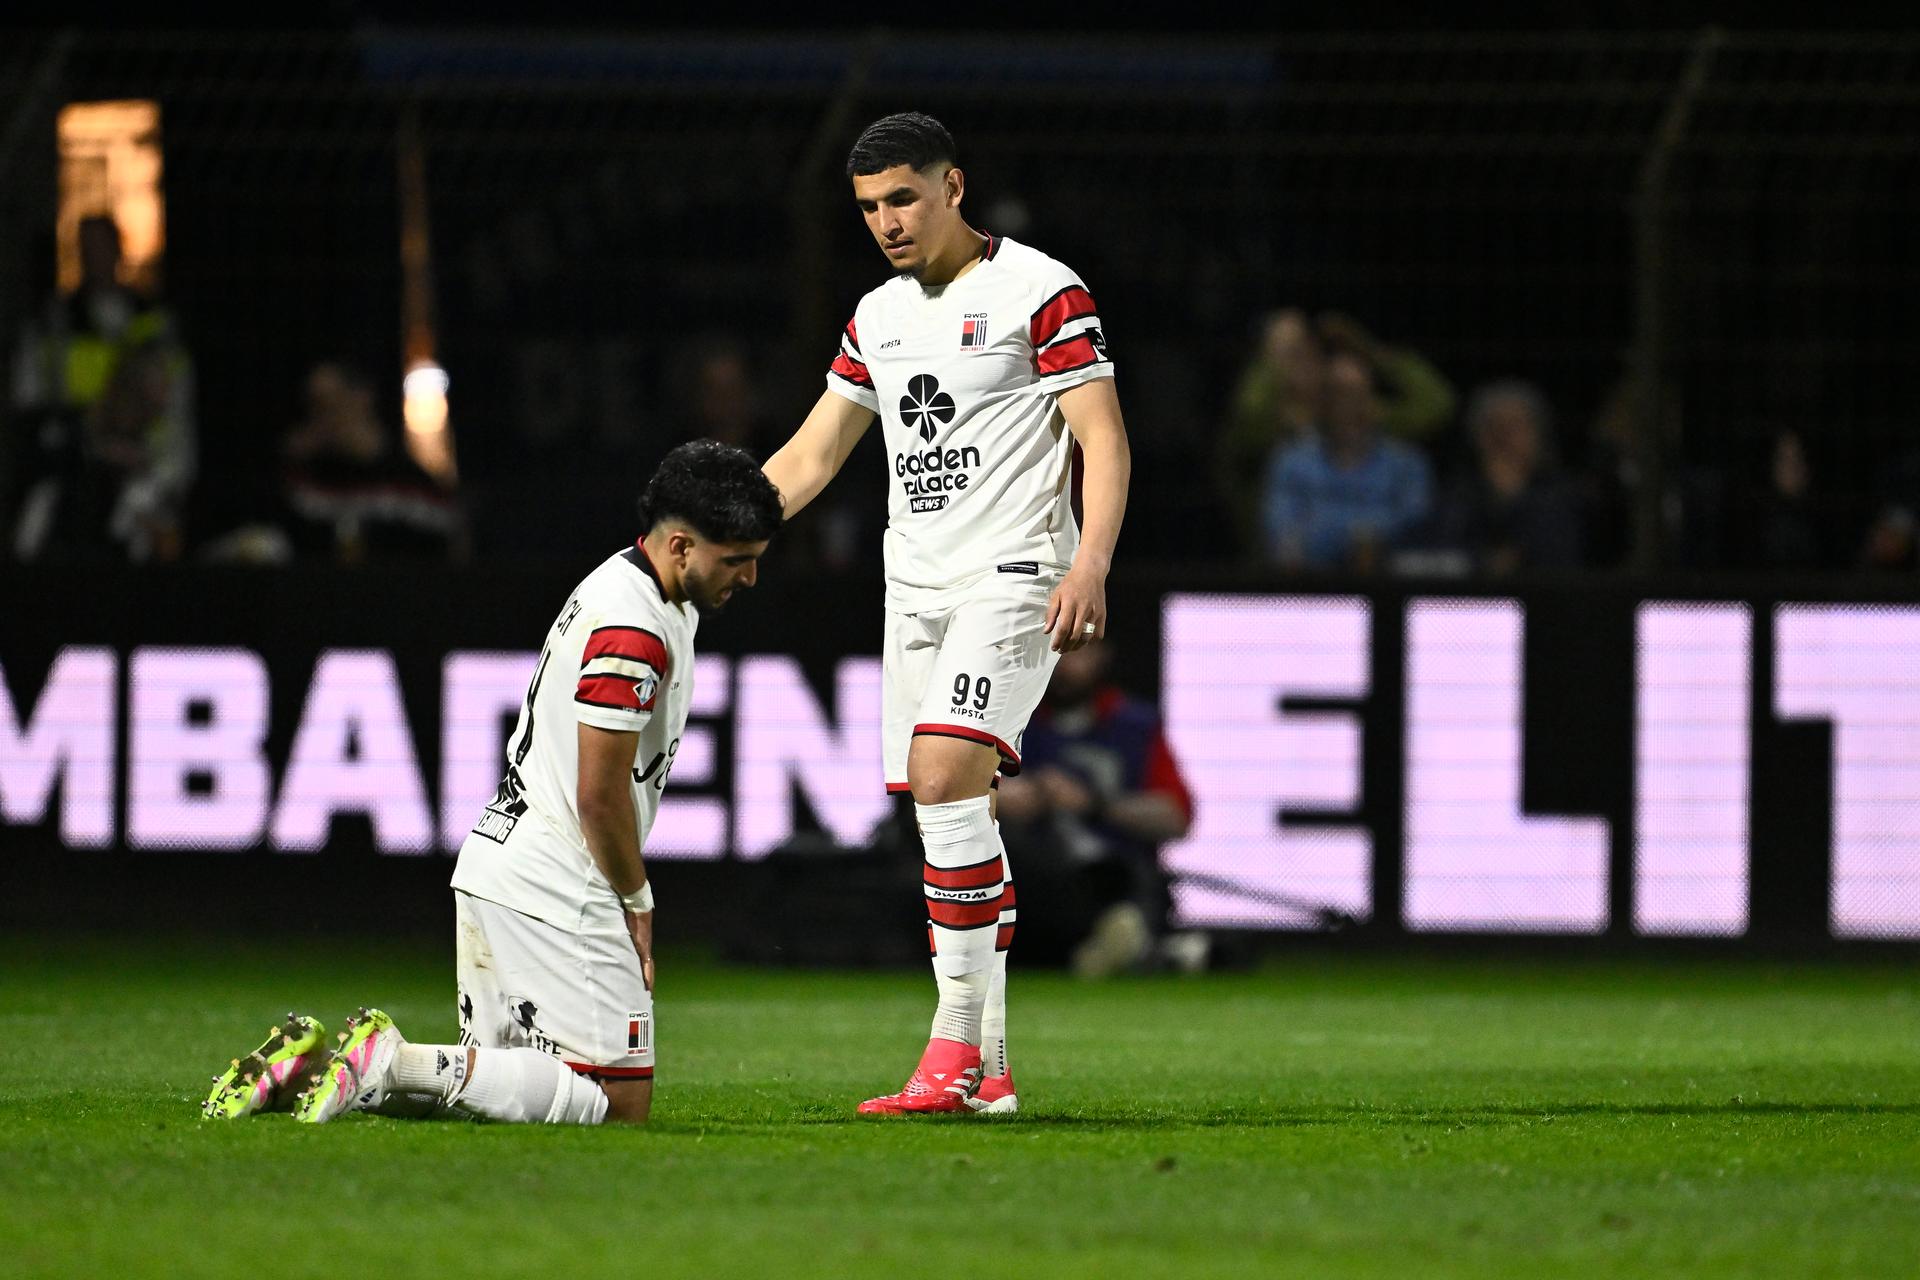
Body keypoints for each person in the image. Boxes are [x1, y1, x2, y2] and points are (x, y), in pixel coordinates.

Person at [200, 440, 782, 1126]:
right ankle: (387, 1059)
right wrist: (637, 896)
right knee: (616, 1102)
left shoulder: (637, 582)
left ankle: (305, 1077)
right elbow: (599, 795)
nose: (748, 579)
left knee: (496, 1095)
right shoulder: (635, 627)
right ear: (682, 545)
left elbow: (792, 478)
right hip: (560, 881)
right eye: (737, 562)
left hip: (500, 862)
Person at [762, 112, 1132, 1115]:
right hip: (914, 589)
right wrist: (720, 529)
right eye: (871, 207)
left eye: (904, 198)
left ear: (953, 186)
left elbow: (1102, 437)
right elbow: (811, 456)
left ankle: (950, 1050)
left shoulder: (1041, 291)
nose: (887, 221)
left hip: (1016, 573)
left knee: (943, 767)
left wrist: (1090, 560)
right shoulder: (877, 316)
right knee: (947, 808)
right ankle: (991, 1068)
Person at [993, 642, 1194, 978]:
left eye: (1078, 651)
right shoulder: (1009, 718)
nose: (1065, 665)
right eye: (1056, 650)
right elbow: (941, 798)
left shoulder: (1134, 724)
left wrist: (1094, 804)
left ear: (1102, 656)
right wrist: (1001, 798)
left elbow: (1176, 816)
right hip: (1033, 879)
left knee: (1125, 887)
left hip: (1117, 876)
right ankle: (1122, 946)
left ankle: (1116, 939)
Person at [8, 213, 195, 562]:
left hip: (141, 464)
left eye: (103, 246)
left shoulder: (153, 324)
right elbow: (28, 401)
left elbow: (177, 409)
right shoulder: (55, 322)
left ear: (119, 251)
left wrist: (164, 472)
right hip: (75, 462)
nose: (95, 257)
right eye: (86, 248)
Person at [1261, 350, 1434, 572]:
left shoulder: (1406, 465)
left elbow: (1416, 531)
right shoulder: (1291, 462)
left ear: (1373, 400)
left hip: (1389, 589)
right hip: (1313, 589)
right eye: (1339, 394)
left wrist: (1324, 530)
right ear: (1322, 402)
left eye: (1357, 394)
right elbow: (1281, 533)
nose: (1348, 406)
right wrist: (1363, 535)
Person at [1430, 379, 1582, 575]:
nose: (1504, 438)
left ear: (1538, 435)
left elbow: (1560, 557)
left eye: (1515, 427)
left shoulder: (1562, 491)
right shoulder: (1457, 491)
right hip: (1471, 602)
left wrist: (1513, 499)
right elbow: (1443, 556)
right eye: (1494, 427)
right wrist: (1484, 562)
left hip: (1547, 599)